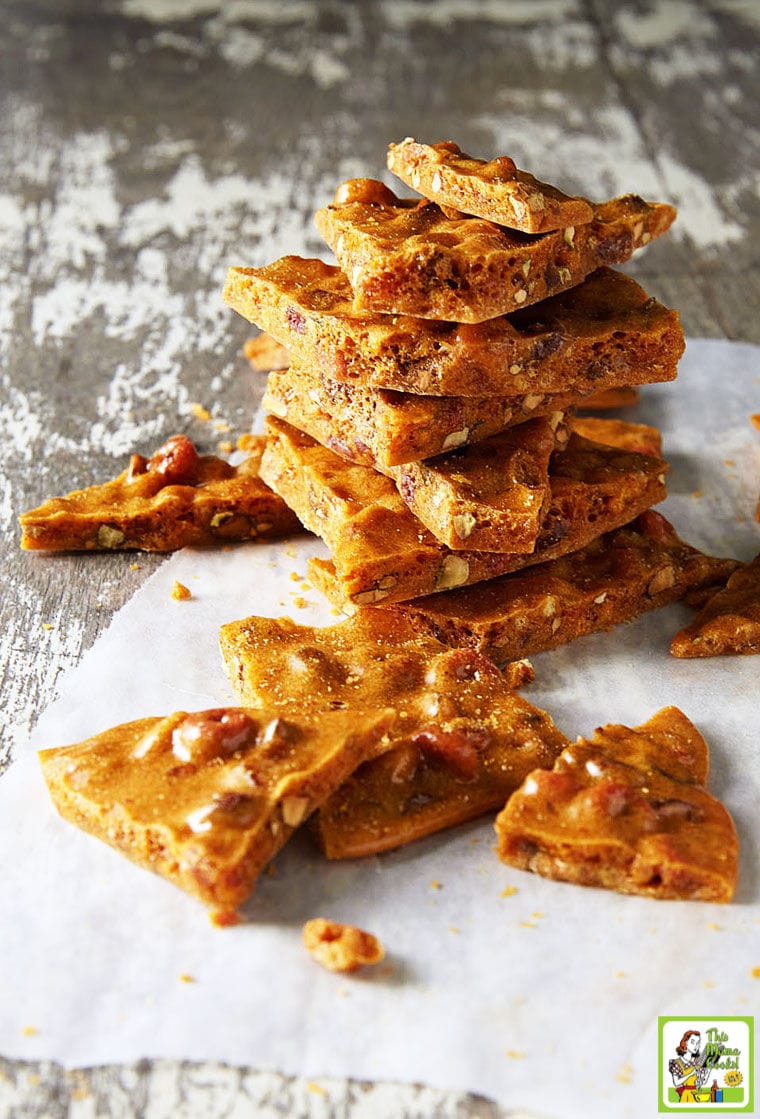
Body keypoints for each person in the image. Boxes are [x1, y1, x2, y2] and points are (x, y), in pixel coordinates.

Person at [669, 1030, 706, 1102]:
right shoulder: (676, 1063)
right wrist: (691, 1074)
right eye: (693, 1042)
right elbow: (676, 1083)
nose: (696, 1046)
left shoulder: (698, 1062)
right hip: (685, 1096)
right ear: (685, 1042)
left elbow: (702, 1081)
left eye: (698, 1043)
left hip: (696, 1095)